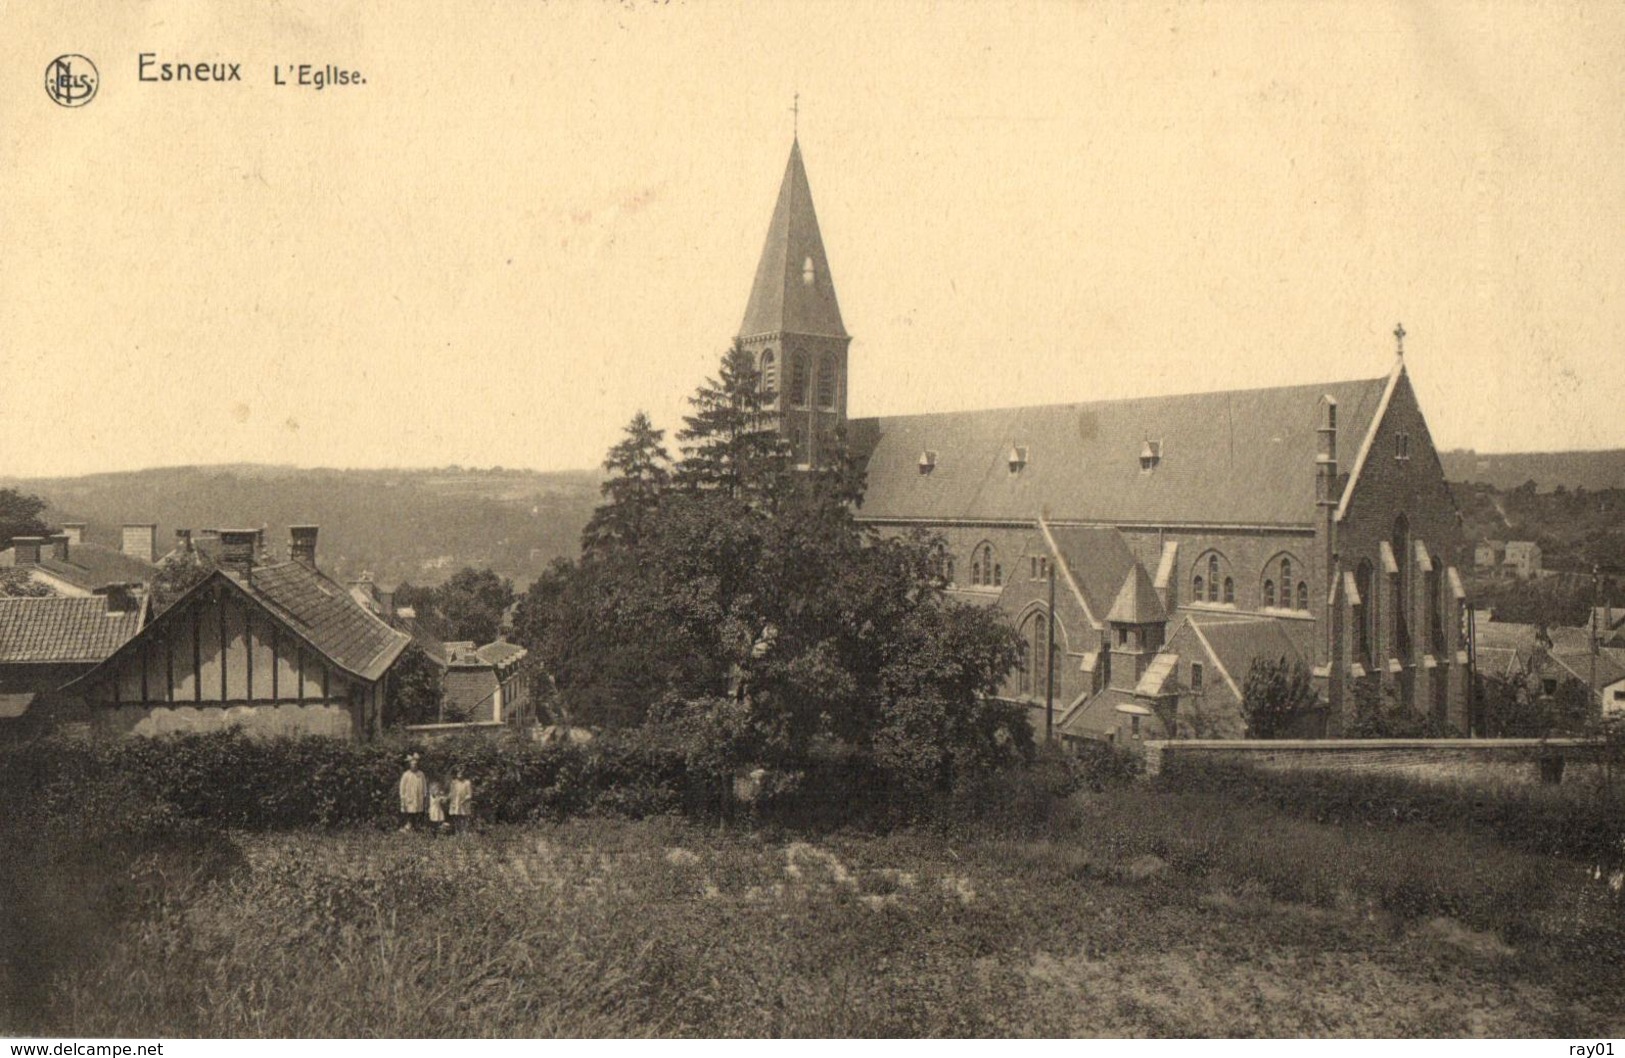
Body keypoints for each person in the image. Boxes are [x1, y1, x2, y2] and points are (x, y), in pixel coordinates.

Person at [398, 754, 427, 832]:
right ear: (409, 766)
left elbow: (424, 785)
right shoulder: (406, 774)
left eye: (415, 765)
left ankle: (415, 826)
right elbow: (402, 787)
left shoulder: (421, 774)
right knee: (409, 811)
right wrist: (402, 796)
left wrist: (424, 795)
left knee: (417, 811)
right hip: (409, 796)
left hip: (418, 796)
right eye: (412, 765)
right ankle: (408, 825)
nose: (414, 766)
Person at [449, 767, 474, 836]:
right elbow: (451, 793)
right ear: (456, 774)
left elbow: (470, 795)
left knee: (464, 818)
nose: (460, 774)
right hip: (456, 803)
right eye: (458, 773)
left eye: (461, 773)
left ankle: (464, 833)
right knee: (456, 818)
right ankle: (457, 833)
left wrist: (464, 800)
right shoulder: (454, 782)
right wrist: (451, 800)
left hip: (464, 804)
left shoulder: (467, 783)